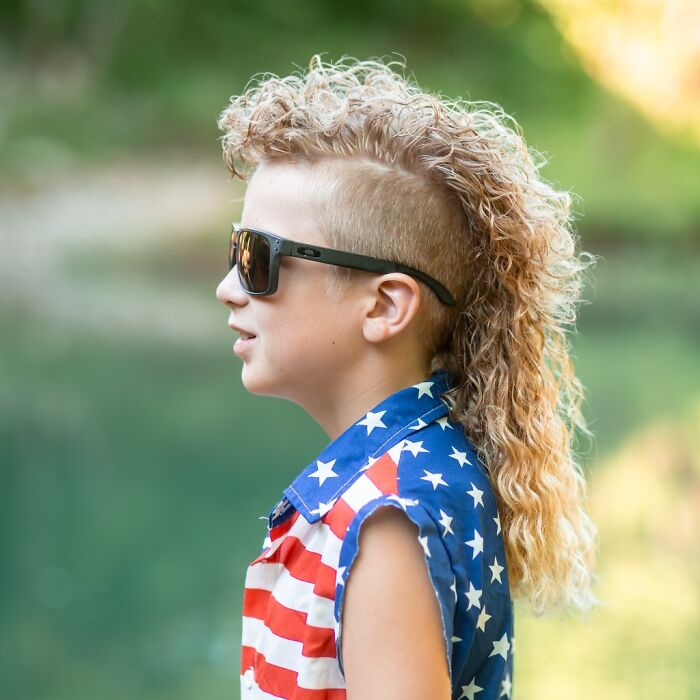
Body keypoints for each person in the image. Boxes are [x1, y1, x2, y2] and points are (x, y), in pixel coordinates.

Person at [215, 54, 601, 700]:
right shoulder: (415, 471)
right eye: (234, 251)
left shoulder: (385, 520)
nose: (228, 288)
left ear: (386, 306)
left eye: (258, 260)